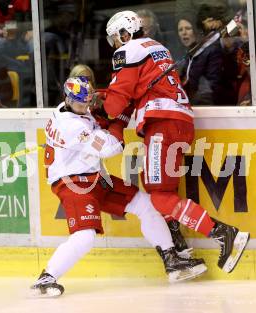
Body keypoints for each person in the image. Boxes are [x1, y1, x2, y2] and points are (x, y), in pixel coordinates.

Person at [101, 10, 250, 273]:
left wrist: (97, 103)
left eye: (115, 38)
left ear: (125, 33)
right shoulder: (158, 48)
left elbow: (115, 103)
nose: (114, 44)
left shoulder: (127, 51)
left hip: (162, 123)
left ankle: (223, 233)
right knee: (162, 190)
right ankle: (179, 246)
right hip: (181, 122)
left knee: (158, 195)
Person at [30, 77, 207, 297]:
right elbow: (110, 148)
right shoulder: (71, 126)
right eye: (81, 103)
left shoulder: (68, 110)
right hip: (74, 183)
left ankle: (171, 259)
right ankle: (46, 278)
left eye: (87, 102)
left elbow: (93, 122)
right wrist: (120, 119)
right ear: (67, 98)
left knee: (146, 205)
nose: (85, 106)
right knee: (85, 237)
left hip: (95, 177)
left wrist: (105, 117)